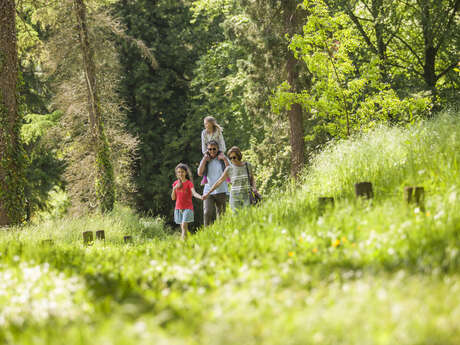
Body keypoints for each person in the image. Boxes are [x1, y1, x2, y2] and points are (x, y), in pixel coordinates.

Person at [203, 146, 256, 212]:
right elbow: (219, 182)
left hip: (247, 197)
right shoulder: (229, 169)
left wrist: (254, 188)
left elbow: (252, 179)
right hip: (235, 198)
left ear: (239, 156)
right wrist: (208, 193)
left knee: (248, 217)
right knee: (237, 219)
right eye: (230, 158)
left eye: (234, 157)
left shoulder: (247, 165)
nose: (232, 160)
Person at [198, 140, 229, 226]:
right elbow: (200, 173)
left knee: (221, 215)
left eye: (214, 149)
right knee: (207, 212)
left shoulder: (222, 158)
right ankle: (207, 232)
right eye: (209, 149)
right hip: (208, 191)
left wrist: (225, 159)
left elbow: (229, 171)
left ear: (218, 148)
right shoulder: (205, 159)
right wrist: (204, 160)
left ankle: (222, 232)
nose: (212, 151)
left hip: (221, 190)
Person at [171, 163, 202, 240]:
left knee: (184, 225)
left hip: (188, 208)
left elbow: (194, 193)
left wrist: (200, 197)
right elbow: (173, 198)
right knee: (183, 228)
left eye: (182, 172)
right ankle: (186, 242)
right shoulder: (175, 183)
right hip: (178, 208)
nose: (180, 173)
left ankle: (182, 242)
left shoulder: (189, 183)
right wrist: (174, 188)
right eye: (178, 172)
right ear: (176, 174)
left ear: (185, 173)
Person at [201, 116, 226, 185]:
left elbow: (222, 142)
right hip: (209, 150)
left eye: (207, 124)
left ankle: (226, 176)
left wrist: (221, 152)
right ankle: (205, 177)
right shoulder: (204, 132)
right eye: (204, 124)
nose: (205, 125)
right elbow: (203, 143)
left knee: (222, 161)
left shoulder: (217, 131)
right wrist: (205, 153)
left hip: (217, 149)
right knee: (205, 161)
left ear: (211, 124)